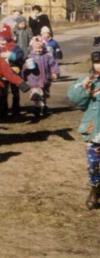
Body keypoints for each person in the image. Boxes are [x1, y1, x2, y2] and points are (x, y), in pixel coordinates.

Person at [67, 51, 100, 210]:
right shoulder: (90, 79)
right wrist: (84, 87)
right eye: (97, 62)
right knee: (93, 164)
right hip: (95, 130)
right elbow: (75, 98)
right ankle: (95, 190)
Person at [23, 37, 60, 122]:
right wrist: (26, 68)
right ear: (33, 48)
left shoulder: (47, 56)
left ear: (43, 47)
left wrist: (54, 73)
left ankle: (43, 107)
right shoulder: (29, 57)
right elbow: (24, 68)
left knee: (44, 94)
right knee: (36, 94)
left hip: (45, 79)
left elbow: (53, 64)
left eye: (40, 48)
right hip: (34, 79)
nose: (38, 50)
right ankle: (36, 108)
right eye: (36, 48)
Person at [0, 28, 26, 119]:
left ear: (8, 39)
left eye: (3, 39)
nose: (1, 41)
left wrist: (10, 55)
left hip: (14, 73)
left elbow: (20, 56)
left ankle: (16, 110)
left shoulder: (15, 47)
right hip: (3, 75)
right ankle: (3, 111)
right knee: (3, 93)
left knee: (15, 92)